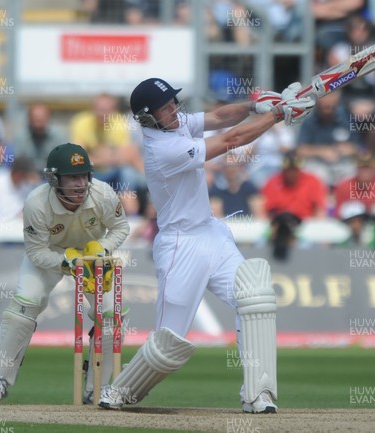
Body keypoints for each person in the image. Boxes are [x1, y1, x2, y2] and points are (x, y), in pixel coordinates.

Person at [97, 78, 314, 412]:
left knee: (254, 298)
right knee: (168, 341)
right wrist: (278, 116)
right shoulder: (161, 148)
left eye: (173, 102)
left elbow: (217, 118)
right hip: (180, 245)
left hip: (212, 234)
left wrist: (256, 105)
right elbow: (231, 138)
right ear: (147, 117)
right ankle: (121, 391)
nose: (174, 109)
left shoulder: (173, 123)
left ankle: (259, 393)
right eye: (165, 106)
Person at [0, 143, 130, 405]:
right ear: (54, 178)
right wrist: (66, 262)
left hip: (92, 256)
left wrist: (100, 250)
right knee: (23, 308)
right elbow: (36, 252)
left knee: (111, 316)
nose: (81, 184)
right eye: (72, 177)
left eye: (84, 175)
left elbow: (120, 227)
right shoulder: (36, 203)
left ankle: (99, 387)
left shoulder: (103, 194)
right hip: (52, 254)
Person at [0, 156, 41, 221]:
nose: (29, 179)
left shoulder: (27, 186)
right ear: (18, 174)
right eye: (26, 176)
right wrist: (14, 219)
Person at [12, 102, 68, 172]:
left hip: (52, 174)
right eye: (35, 119)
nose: (38, 122)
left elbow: (63, 160)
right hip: (27, 175)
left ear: (48, 118)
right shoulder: (20, 136)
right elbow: (18, 161)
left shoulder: (59, 135)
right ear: (29, 119)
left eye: (41, 119)